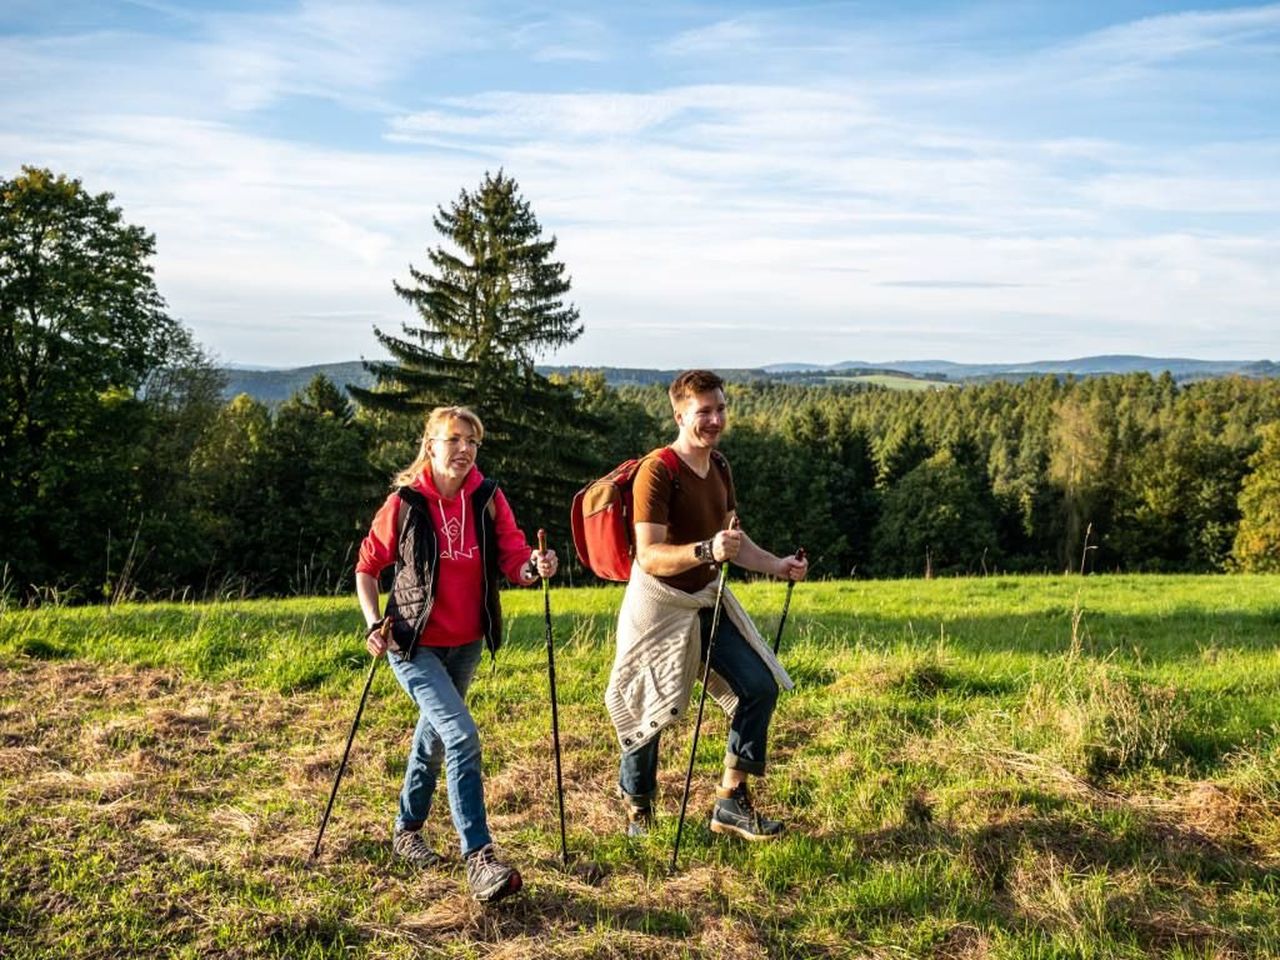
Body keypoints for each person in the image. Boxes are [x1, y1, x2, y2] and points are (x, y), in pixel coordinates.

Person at [355, 405, 557, 903]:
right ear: (431, 445)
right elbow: (367, 566)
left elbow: (513, 558)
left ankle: (406, 830)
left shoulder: (487, 497)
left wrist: (535, 565)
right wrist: (371, 623)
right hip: (412, 643)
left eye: (472, 441)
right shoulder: (405, 503)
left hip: (465, 642)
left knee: (436, 735)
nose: (464, 449)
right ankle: (479, 858)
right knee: (462, 735)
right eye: (454, 440)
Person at [605, 369, 808, 841]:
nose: (714, 419)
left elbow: (732, 541)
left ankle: (729, 802)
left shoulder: (719, 468)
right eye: (704, 412)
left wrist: (778, 565)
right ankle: (638, 809)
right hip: (658, 605)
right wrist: (705, 551)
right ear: (680, 415)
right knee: (647, 706)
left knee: (759, 685)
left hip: (705, 599)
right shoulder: (658, 471)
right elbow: (650, 554)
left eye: (720, 409)